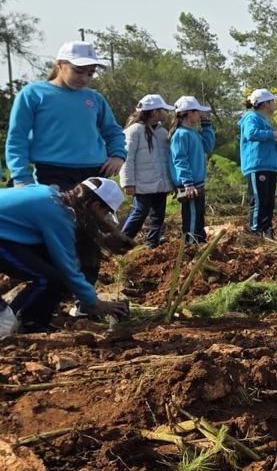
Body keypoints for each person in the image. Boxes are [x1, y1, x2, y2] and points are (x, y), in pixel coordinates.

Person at [0, 178, 131, 338]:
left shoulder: (50, 194)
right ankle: (17, 321)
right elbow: (68, 268)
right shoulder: (59, 217)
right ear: (96, 206)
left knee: (50, 271)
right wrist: (95, 303)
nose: (104, 218)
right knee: (47, 278)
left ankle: (33, 321)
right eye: (105, 213)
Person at [6, 41, 125, 191]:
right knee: (57, 208)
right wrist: (21, 178)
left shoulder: (95, 98)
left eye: (90, 73)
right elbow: (17, 138)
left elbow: (113, 131)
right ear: (60, 64)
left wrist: (118, 155)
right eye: (78, 71)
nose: (84, 78)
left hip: (95, 172)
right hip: (52, 173)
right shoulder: (33, 93)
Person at [119, 94, 175, 246]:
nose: (166, 113)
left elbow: (166, 159)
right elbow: (127, 158)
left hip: (160, 183)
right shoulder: (134, 131)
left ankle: (153, 243)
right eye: (164, 109)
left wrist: (169, 181)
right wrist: (128, 182)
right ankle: (121, 242)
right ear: (155, 112)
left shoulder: (162, 132)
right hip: (142, 183)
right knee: (140, 212)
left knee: (158, 215)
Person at [239, 89, 277, 238]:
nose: (274, 104)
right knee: (259, 200)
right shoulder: (251, 117)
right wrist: (274, 134)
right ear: (265, 103)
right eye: (272, 101)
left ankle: (267, 230)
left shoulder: (264, 120)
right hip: (257, 165)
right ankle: (256, 231)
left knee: (269, 200)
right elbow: (251, 133)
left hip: (269, 165)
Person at [168, 96, 215, 245]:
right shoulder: (180, 134)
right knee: (192, 217)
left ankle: (200, 242)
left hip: (197, 183)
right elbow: (180, 159)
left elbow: (208, 146)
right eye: (198, 112)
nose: (200, 115)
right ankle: (190, 245)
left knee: (199, 216)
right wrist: (187, 183)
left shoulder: (193, 133)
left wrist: (207, 126)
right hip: (190, 185)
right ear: (189, 113)